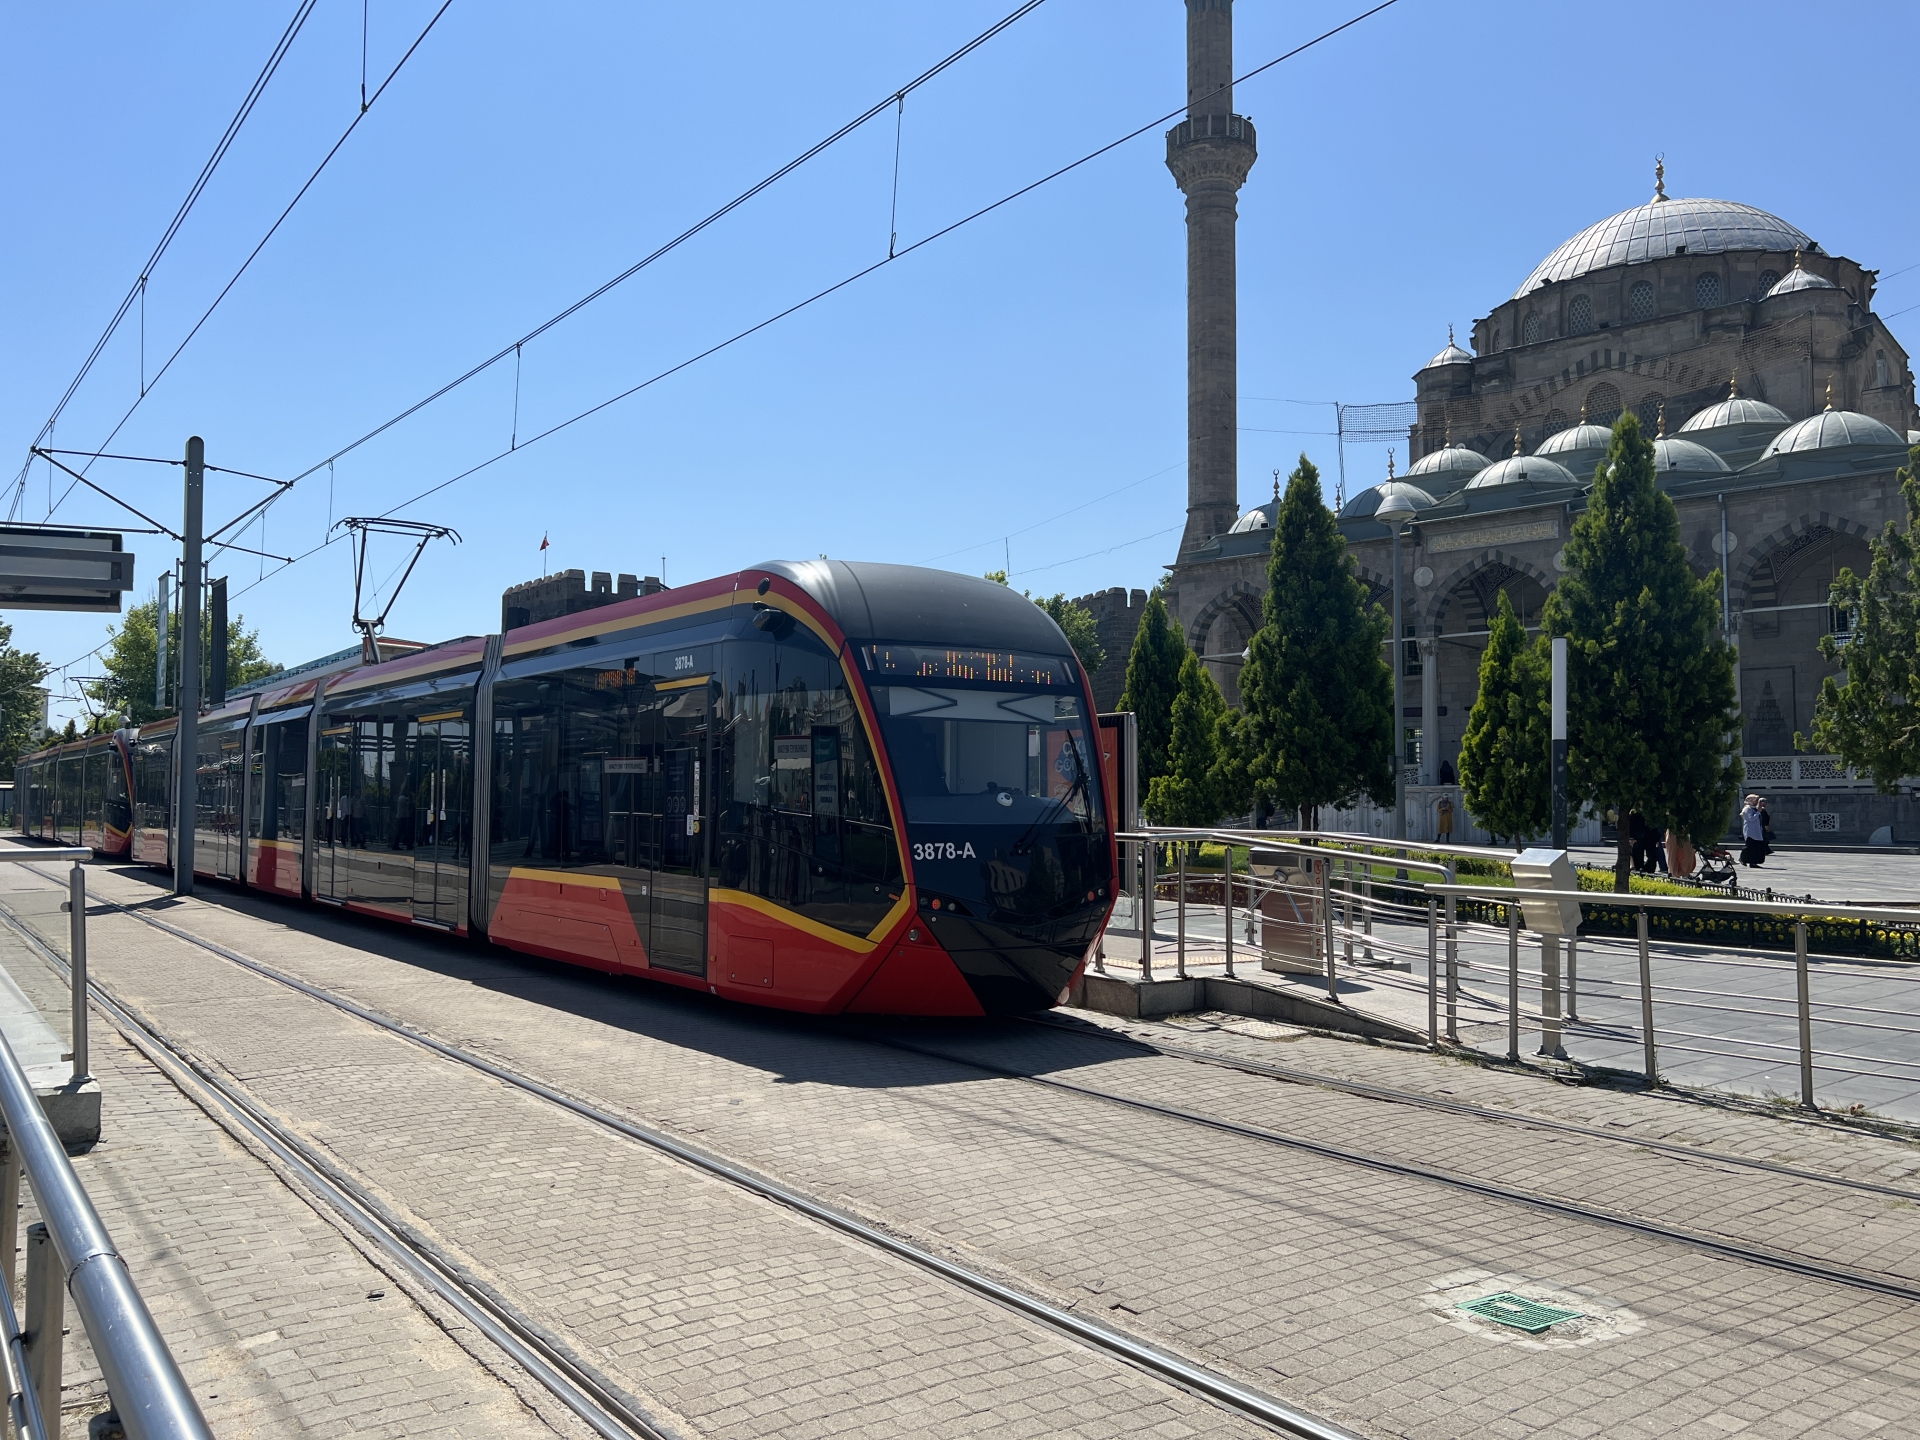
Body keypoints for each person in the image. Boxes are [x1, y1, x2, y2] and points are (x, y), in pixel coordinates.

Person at [1740, 794, 1768, 867]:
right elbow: (1751, 819)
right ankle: (1743, 859)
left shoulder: (1755, 809)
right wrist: (1758, 811)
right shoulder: (1747, 809)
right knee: (1750, 846)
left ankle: (1753, 862)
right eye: (1756, 800)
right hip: (1750, 831)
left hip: (1757, 830)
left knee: (1756, 847)